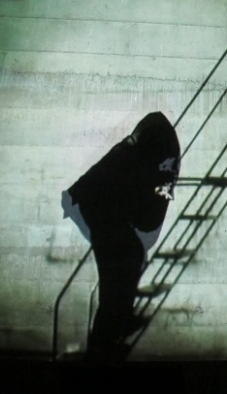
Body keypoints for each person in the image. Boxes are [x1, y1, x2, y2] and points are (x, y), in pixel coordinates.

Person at [61, 111, 180, 359]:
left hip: (95, 202)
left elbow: (147, 199)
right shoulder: (146, 153)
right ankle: (100, 344)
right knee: (118, 268)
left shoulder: (140, 150)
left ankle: (116, 324)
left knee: (130, 256)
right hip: (91, 202)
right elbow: (148, 203)